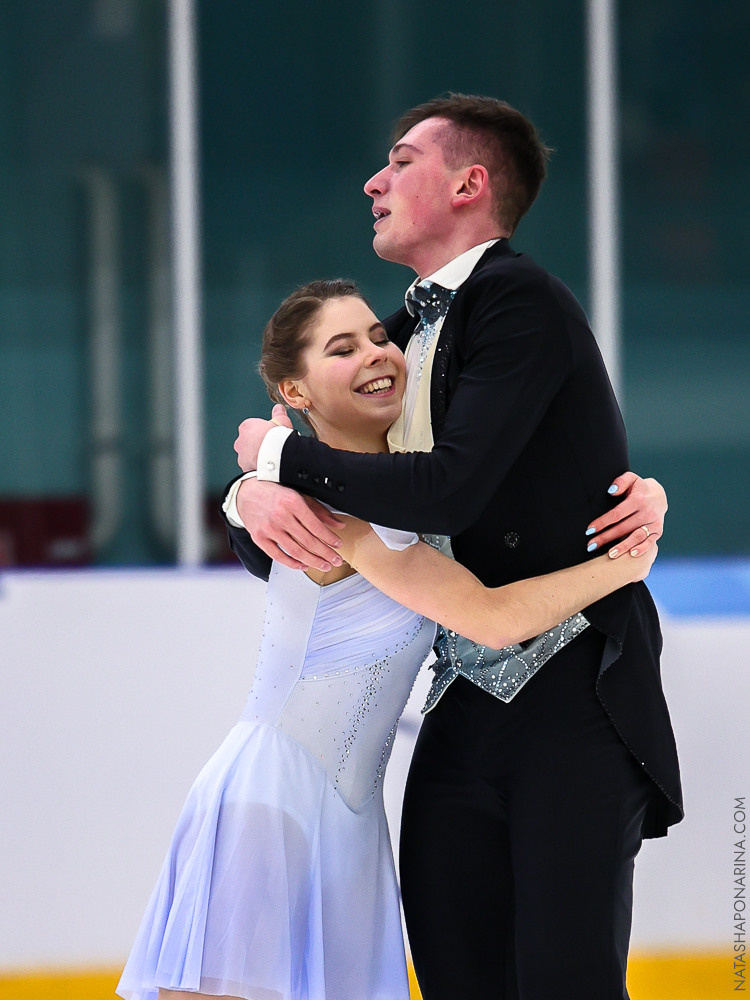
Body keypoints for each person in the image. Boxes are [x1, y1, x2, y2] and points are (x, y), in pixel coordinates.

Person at [226, 95, 683, 1000]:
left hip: (574, 699)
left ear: (469, 184)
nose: (374, 180)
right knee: (456, 975)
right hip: (463, 707)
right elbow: (322, 479)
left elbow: (452, 486)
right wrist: (252, 497)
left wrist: (279, 454)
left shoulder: (518, 301)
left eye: (399, 161)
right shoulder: (408, 330)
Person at [116, 281, 656, 1000]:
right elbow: (489, 617)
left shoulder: (420, 498)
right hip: (273, 799)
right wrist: (625, 567)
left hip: (350, 814)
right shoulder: (327, 510)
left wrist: (644, 496)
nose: (376, 354)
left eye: (378, 337)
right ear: (295, 391)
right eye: (342, 348)